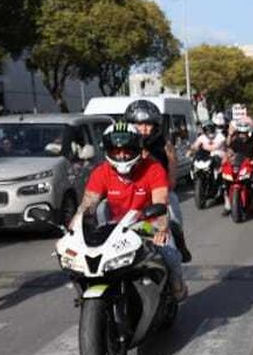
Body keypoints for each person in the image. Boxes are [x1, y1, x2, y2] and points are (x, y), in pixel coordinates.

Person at [74, 121, 186, 301]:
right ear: (108, 151)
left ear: (137, 149)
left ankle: (177, 284)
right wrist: (74, 231)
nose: (122, 154)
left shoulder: (153, 169)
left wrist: (161, 229)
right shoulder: (100, 172)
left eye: (127, 149)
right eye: (116, 150)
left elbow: (160, 201)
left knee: (170, 253)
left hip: (147, 226)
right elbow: (87, 206)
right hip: (113, 229)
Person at [124, 100, 191, 263]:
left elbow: (172, 170)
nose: (143, 129)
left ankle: (180, 246)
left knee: (173, 216)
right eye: (138, 124)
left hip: (158, 194)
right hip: (129, 194)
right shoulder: (122, 143)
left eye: (148, 124)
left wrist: (167, 183)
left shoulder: (164, 145)